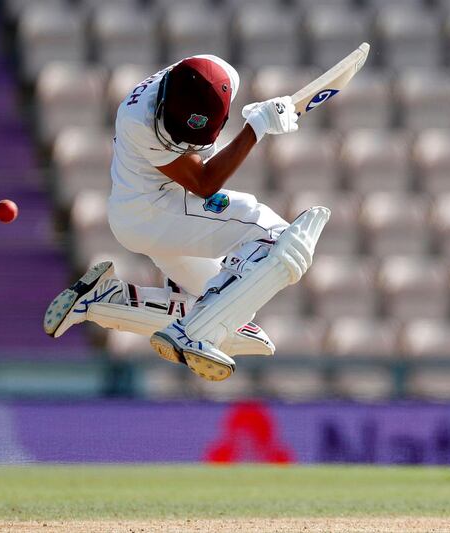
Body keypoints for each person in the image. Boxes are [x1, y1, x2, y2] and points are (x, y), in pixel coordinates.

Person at [44, 55, 330, 382]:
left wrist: (260, 119)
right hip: (155, 211)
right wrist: (257, 128)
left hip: (145, 214)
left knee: (234, 306)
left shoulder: (207, 79)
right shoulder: (140, 120)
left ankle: (103, 301)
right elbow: (204, 184)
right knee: (279, 238)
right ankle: (194, 332)